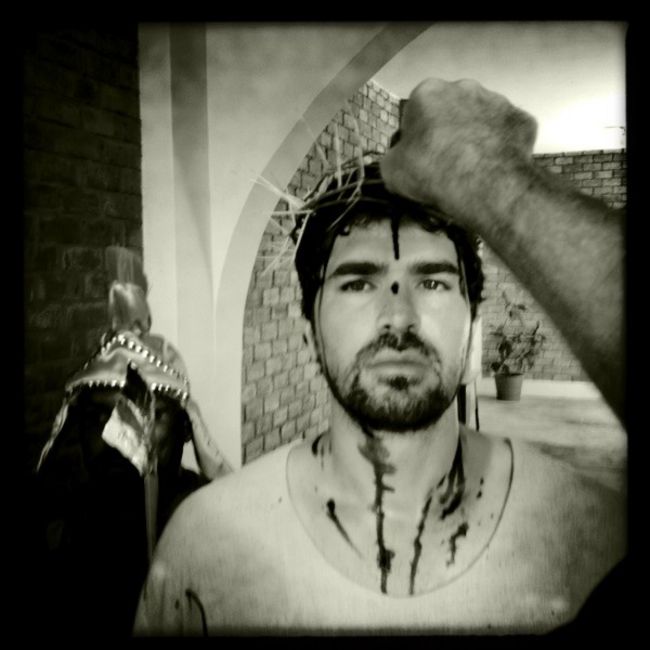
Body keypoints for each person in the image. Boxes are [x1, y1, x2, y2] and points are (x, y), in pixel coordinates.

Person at [133, 79, 626, 635]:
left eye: (433, 282)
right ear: (307, 331)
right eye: (358, 283)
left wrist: (498, 185)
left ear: (473, 323)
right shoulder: (205, 544)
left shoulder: (597, 538)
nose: (399, 318)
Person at [30, 246, 231, 636]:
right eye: (98, 416)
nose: (118, 435)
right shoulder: (61, 527)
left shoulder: (213, 523)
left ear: (187, 428)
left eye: (149, 413)